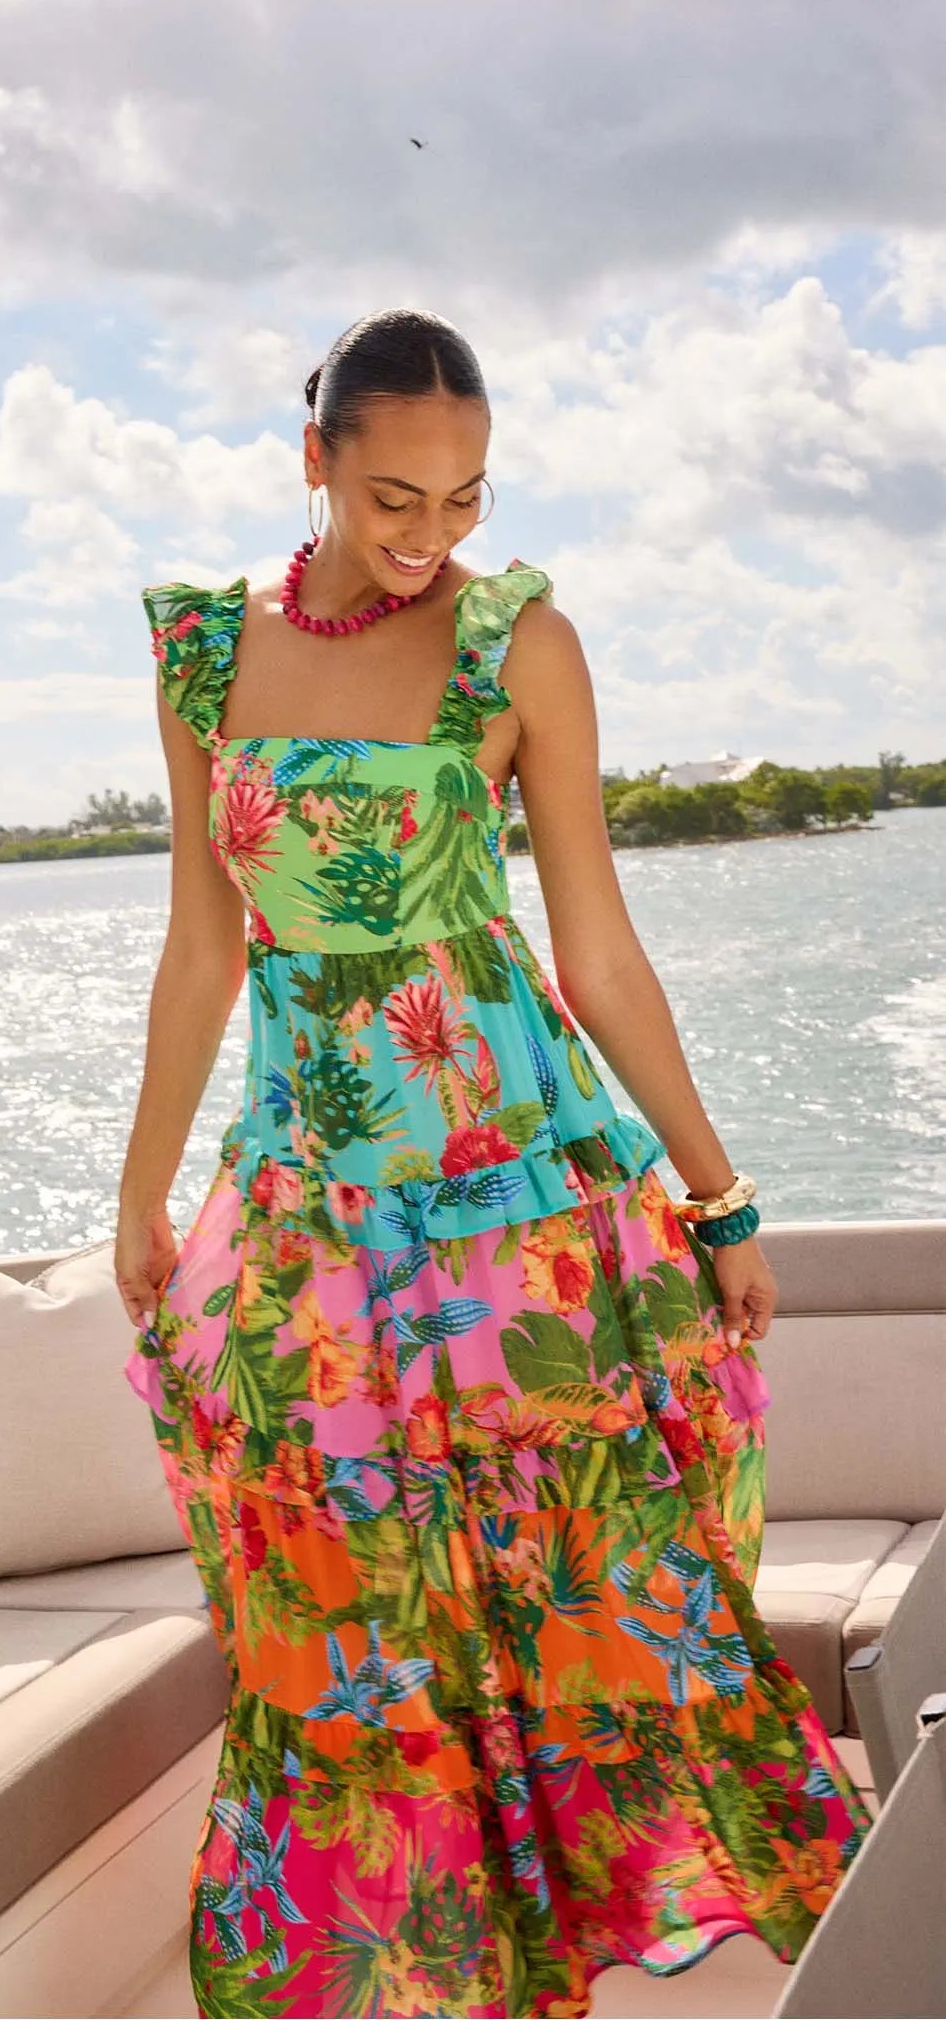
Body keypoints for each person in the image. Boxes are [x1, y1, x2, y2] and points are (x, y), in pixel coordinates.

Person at [115, 307, 871, 2020]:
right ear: (310, 461)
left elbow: (594, 948)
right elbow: (197, 949)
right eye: (392, 495)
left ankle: (578, 1964)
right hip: (310, 1198)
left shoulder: (515, 642)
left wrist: (718, 1191)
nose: (428, 536)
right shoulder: (195, 653)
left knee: (567, 1587)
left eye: (460, 500)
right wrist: (142, 1187)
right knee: (351, 1610)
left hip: (516, 1190)